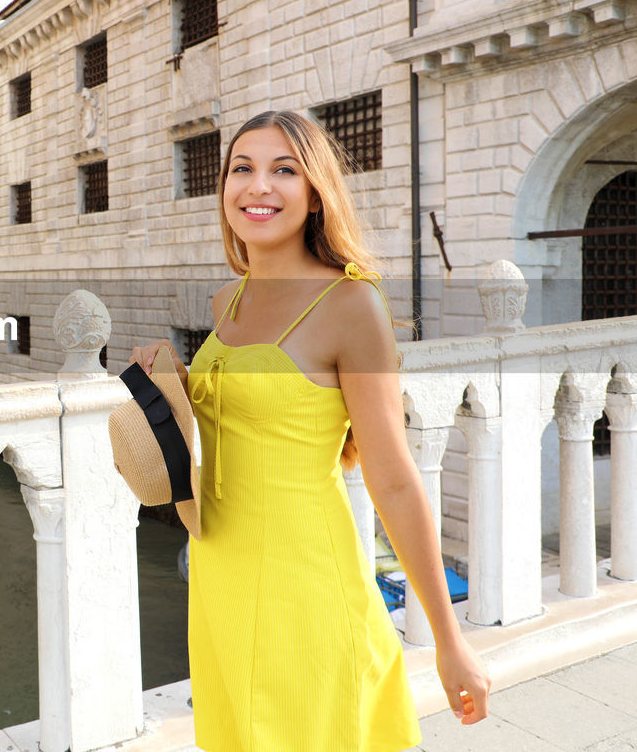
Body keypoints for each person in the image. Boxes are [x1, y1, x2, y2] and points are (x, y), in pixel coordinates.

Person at [129, 111, 490, 750]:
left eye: (283, 170)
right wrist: (172, 384)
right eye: (242, 168)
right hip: (222, 580)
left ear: (315, 192)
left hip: (308, 581)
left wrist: (448, 640)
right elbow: (241, 423)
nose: (257, 186)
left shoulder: (351, 306)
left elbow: (395, 480)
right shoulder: (226, 303)